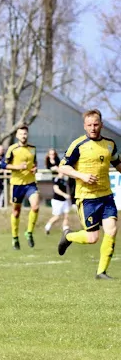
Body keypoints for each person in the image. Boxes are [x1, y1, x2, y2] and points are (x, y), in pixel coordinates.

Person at [57, 109, 121, 280]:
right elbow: (62, 167)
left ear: (101, 124)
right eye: (89, 125)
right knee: (93, 238)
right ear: (84, 126)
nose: (93, 128)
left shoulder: (110, 145)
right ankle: (68, 236)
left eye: (96, 124)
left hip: (106, 196)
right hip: (87, 198)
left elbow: (117, 163)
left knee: (112, 230)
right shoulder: (78, 145)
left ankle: (101, 272)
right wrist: (82, 175)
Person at [1, 125, 39, 250]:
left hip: (30, 183)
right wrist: (17, 167)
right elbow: (3, 165)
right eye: (21, 134)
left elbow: (35, 163)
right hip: (17, 184)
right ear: (17, 136)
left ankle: (29, 232)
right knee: (16, 212)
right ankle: (15, 238)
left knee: (35, 206)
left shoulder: (33, 148)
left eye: (25, 133)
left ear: (27, 135)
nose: (23, 136)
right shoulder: (12, 149)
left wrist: (34, 168)